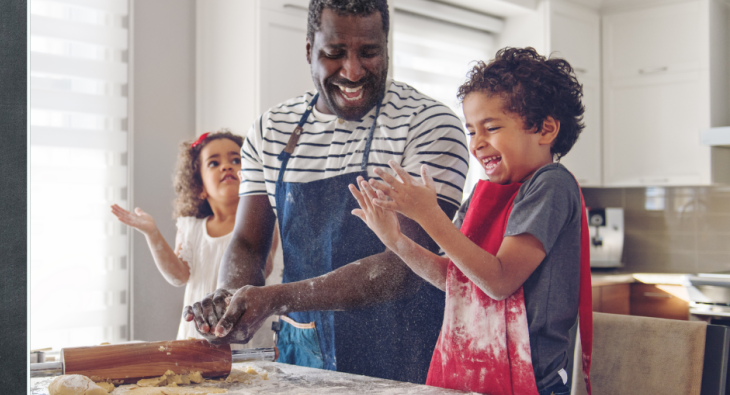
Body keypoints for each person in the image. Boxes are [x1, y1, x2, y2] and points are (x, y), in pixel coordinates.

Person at [184, 0, 470, 383]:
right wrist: (228, 300)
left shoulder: (428, 124)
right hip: (303, 359)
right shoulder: (270, 130)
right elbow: (249, 244)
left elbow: (404, 264)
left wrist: (275, 297)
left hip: (406, 356)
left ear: (386, 46)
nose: (352, 71)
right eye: (334, 53)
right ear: (308, 50)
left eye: (369, 52)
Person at [350, 47, 592, 395]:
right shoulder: (483, 196)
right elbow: (455, 280)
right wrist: (396, 241)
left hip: (533, 383)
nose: (477, 144)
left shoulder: (551, 184)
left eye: (491, 128)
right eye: (471, 131)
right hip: (475, 375)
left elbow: (500, 280)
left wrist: (430, 215)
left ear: (545, 129)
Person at [110, 130, 283, 349]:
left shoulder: (266, 219)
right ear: (199, 187)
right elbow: (179, 275)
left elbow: (262, 269)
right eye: (214, 163)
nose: (227, 166)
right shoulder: (190, 227)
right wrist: (152, 233)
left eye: (236, 160)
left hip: (245, 337)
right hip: (198, 335)